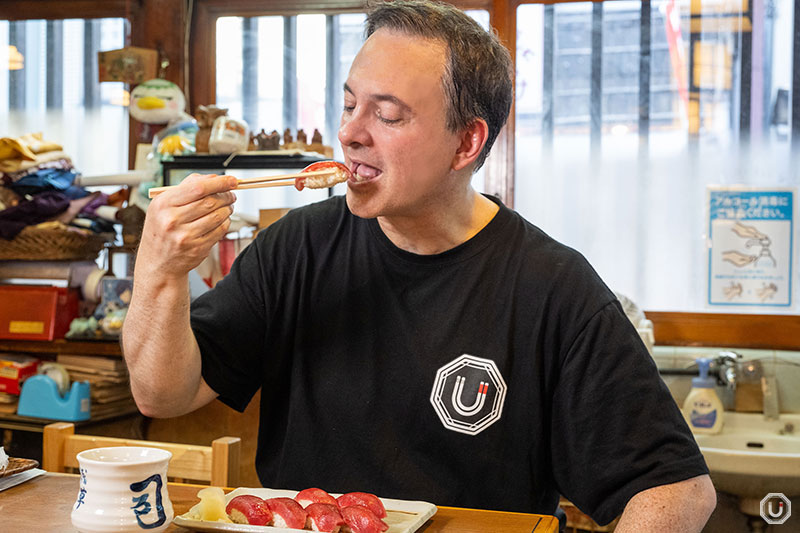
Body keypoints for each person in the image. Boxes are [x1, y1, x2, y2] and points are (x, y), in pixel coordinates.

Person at [122, 1, 716, 530]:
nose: (351, 133)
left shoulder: (551, 287)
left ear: (467, 144)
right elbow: (162, 394)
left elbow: (679, 492)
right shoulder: (296, 247)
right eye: (351, 104)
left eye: (389, 115)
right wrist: (160, 271)